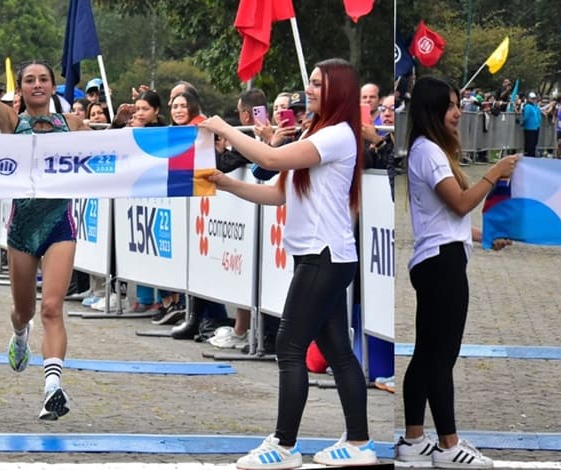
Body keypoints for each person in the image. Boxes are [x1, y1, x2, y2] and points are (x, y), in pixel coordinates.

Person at [199, 59, 376, 469]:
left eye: (317, 84)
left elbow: (272, 160)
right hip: (319, 256)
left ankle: (284, 445)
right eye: (309, 82)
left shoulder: (336, 136)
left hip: (324, 256)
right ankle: (358, 442)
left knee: (289, 345)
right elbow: (278, 193)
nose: (308, 90)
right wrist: (225, 183)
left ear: (339, 92)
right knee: (336, 350)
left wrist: (225, 129)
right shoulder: (319, 132)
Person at [0, 0, 93, 422]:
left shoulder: (72, 125)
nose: (37, 84)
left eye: (43, 79)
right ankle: (20, 334)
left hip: (60, 224)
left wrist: (124, 126)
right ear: (20, 88)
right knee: (25, 310)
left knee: (53, 307)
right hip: (22, 228)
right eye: (30, 80)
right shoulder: (10, 121)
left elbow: (111, 155)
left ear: (53, 87)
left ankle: (53, 386)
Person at [393, 76, 517, 469]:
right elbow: (462, 204)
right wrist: (494, 172)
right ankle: (449, 445)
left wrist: (487, 235)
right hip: (441, 265)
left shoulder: (426, 150)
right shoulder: (428, 152)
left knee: (427, 353)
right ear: (431, 110)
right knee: (440, 356)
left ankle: (415, 438)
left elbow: (450, 219)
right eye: (450, 106)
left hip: (438, 257)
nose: (457, 113)